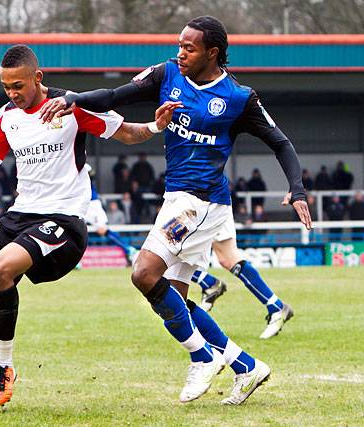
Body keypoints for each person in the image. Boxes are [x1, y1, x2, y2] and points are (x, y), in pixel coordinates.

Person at [40, 16, 312, 404]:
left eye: (189, 48)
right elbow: (115, 96)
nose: (180, 53)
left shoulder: (238, 97)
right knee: (176, 301)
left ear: (212, 53)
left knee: (144, 273)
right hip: (181, 199)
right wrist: (74, 99)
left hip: (200, 202)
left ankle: (202, 357)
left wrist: (297, 189)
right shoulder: (165, 74)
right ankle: (246, 366)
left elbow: (281, 143)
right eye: (180, 45)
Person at [0, 44, 178, 414]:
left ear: (37, 78)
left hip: (63, 220)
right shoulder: (6, 117)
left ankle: (3, 366)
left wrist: (157, 125)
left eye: (18, 85)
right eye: (5, 86)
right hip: (19, 215)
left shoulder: (71, 106)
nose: (12, 93)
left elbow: (125, 132)